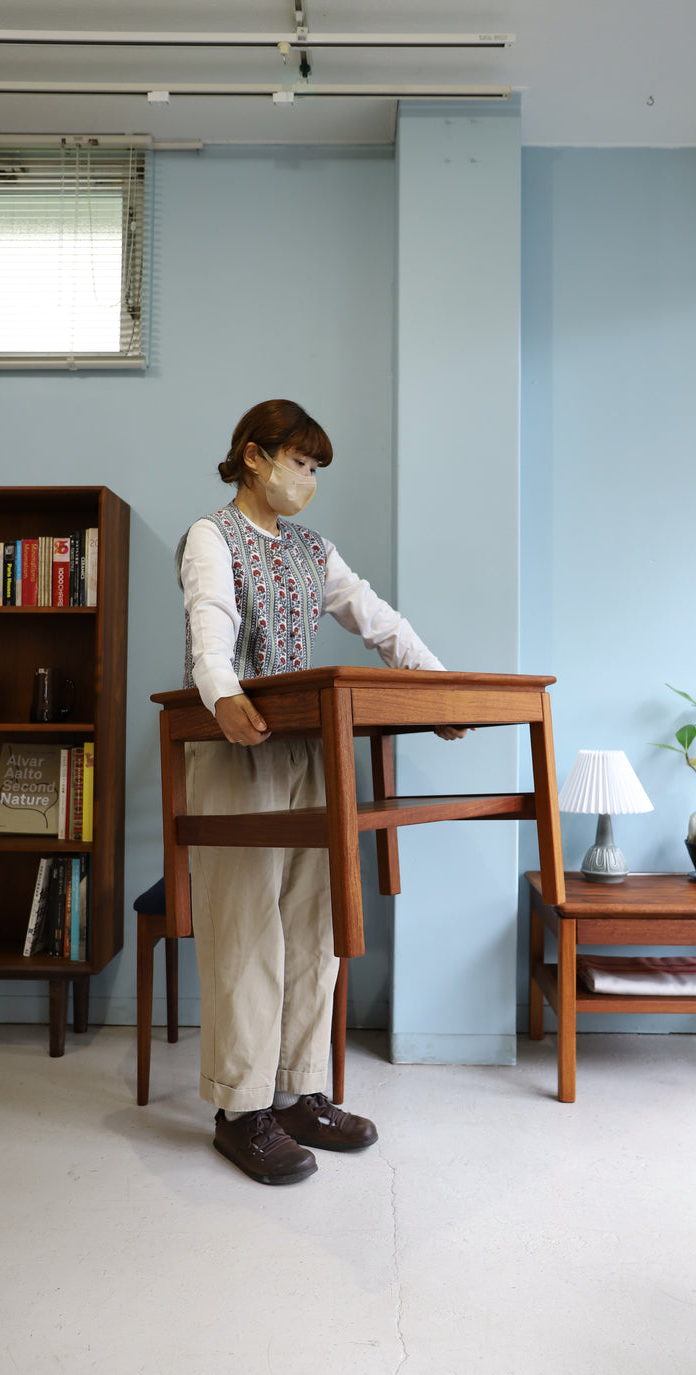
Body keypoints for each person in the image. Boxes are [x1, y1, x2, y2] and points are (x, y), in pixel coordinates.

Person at [177, 398, 467, 1186]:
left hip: (312, 751)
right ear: (253, 456)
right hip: (235, 750)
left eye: (315, 470)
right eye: (300, 464)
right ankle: (240, 1110)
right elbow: (210, 620)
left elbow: (375, 619)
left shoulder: (314, 550)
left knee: (314, 926)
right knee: (247, 932)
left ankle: (299, 1092)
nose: (308, 481)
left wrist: (437, 689)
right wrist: (223, 692)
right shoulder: (212, 536)